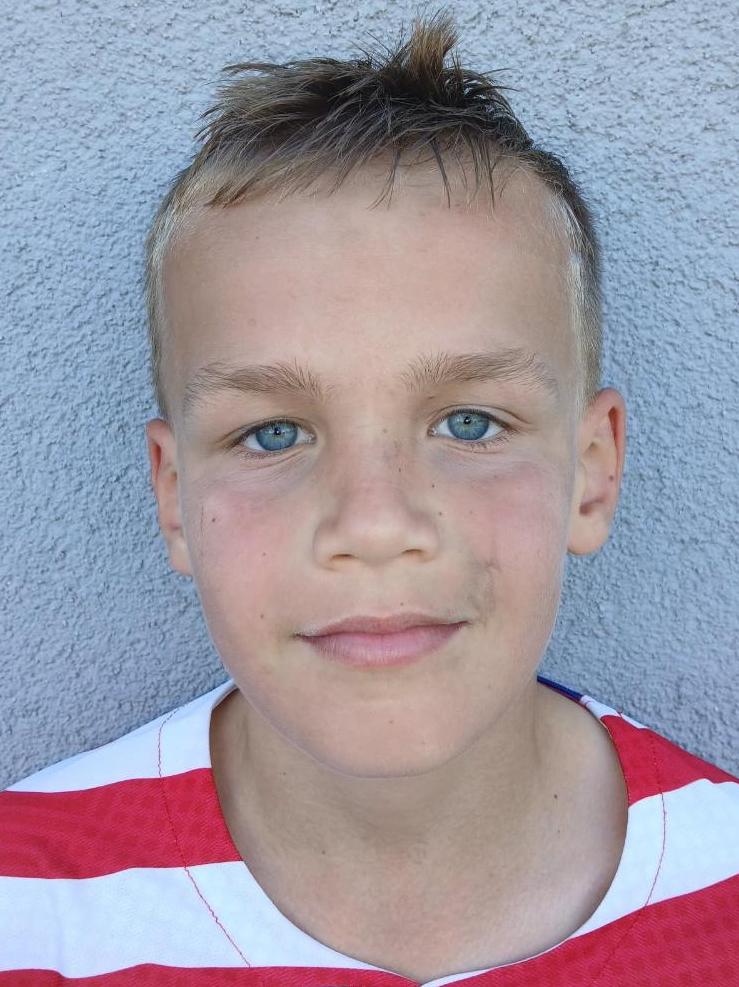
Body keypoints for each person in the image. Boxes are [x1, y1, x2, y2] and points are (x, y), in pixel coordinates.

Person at [1, 8, 737, 985]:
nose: (376, 524)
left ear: (592, 471)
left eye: (468, 422)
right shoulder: (27, 913)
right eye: (273, 433)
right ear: (175, 499)